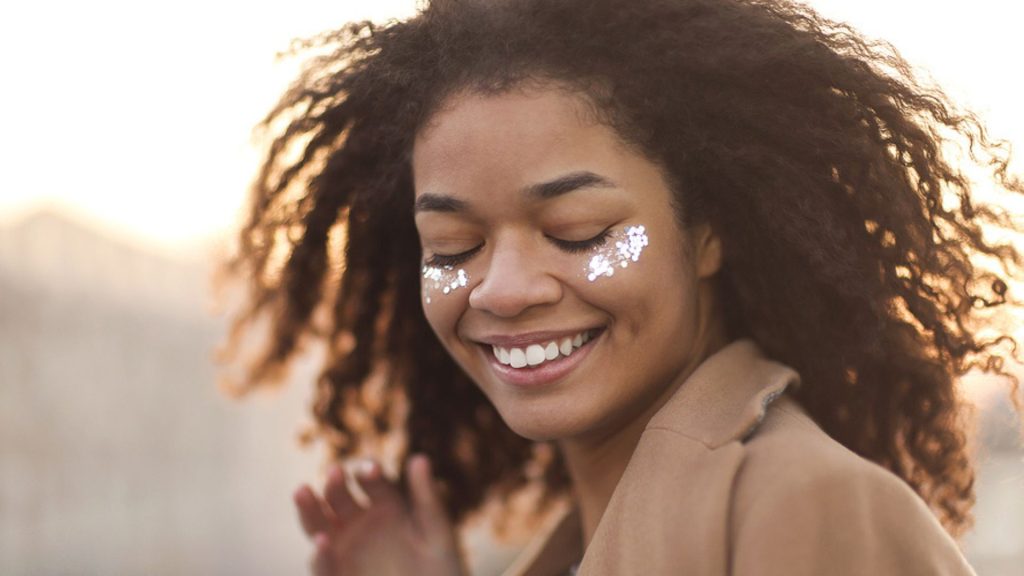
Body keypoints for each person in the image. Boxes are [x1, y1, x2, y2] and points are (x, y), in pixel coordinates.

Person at [216, 0, 1023, 574]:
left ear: (711, 231)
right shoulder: (600, 533)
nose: (501, 289)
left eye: (579, 233)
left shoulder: (804, 508)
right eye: (452, 246)